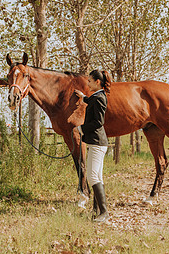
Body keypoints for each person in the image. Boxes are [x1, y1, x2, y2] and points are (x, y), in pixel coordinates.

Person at [75, 69, 112, 223]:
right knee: (97, 176)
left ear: (97, 82)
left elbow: (98, 122)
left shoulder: (99, 98)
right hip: (97, 142)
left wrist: (81, 129)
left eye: (90, 81)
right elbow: (92, 102)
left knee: (92, 176)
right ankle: (98, 210)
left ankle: (104, 212)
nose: (87, 83)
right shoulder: (97, 96)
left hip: (97, 143)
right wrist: (83, 98)